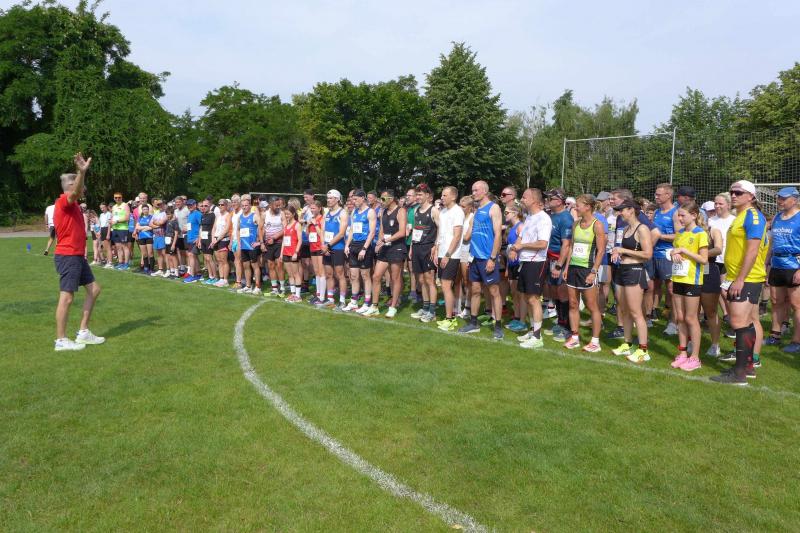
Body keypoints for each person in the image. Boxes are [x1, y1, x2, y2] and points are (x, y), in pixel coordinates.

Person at [711, 180, 768, 385]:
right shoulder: (741, 216)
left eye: (738, 192)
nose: (733, 195)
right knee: (747, 321)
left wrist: (740, 279)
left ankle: (739, 373)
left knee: (738, 322)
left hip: (747, 278)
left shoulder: (753, 216)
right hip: (740, 277)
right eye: (732, 192)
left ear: (751, 196)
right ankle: (747, 367)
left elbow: (753, 250)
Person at [53, 153, 104, 351]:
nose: (84, 189)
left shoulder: (74, 204)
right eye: (81, 185)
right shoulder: (63, 201)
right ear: (72, 186)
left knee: (94, 289)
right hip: (68, 256)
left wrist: (80, 174)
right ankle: (61, 340)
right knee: (67, 297)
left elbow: (76, 193)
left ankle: (83, 332)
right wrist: (82, 172)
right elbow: (74, 192)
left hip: (76, 255)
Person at [459, 180, 504, 339]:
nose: (473, 193)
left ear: (484, 191)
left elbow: (498, 235)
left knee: (494, 291)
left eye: (476, 190)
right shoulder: (477, 210)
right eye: (472, 190)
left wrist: (492, 258)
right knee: (475, 290)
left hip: (487, 258)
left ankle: (498, 325)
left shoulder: (494, 208)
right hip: (475, 258)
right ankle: (473, 323)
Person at [610, 199, 653, 363]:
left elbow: (647, 254)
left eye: (622, 210)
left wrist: (623, 250)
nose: (620, 213)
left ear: (631, 210)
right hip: (622, 270)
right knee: (624, 310)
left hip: (634, 271)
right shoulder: (626, 229)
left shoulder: (642, 228)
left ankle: (643, 350)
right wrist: (618, 252)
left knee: (636, 312)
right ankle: (627, 344)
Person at [562, 194, 606, 352]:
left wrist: (594, 271)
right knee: (573, 304)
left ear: (587, 207)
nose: (576, 207)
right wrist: (566, 268)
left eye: (578, 205)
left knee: (592, 306)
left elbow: (601, 251)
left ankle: (595, 342)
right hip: (573, 269)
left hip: (587, 269)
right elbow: (571, 247)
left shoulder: (597, 225)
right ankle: (575, 337)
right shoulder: (575, 224)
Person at [669, 202, 709, 372]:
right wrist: (673, 253)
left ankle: (695, 357)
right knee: (680, 317)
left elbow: (704, 259)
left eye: (682, 215)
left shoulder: (700, 234)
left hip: (692, 280)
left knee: (691, 318)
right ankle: (683, 353)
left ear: (694, 215)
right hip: (678, 278)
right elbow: (674, 252)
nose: (679, 218)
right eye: (678, 215)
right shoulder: (679, 234)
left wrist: (684, 251)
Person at [510, 188, 551, 349]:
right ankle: (533, 329)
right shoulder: (529, 217)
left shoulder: (543, 219)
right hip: (525, 261)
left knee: (533, 299)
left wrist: (522, 246)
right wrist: (515, 248)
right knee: (527, 298)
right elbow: (521, 237)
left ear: (534, 200)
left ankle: (537, 336)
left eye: (524, 197)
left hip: (537, 262)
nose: (522, 199)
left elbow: (543, 244)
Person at [362, 189, 407, 317]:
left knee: (395, 278)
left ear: (391, 199)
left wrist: (385, 240)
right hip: (385, 248)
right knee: (376, 276)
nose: (380, 201)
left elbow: (402, 232)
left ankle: (393, 306)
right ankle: (375, 306)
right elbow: (381, 231)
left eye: (383, 199)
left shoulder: (401, 211)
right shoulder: (383, 212)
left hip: (397, 248)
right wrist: (379, 242)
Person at [766, 187, 800, 352]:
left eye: (783, 198)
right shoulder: (777, 217)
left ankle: (796, 341)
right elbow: (772, 242)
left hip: (794, 265)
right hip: (777, 264)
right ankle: (775, 335)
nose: (779, 201)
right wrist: (766, 263)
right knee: (776, 301)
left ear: (795, 200)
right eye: (778, 198)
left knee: (796, 304)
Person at [544, 188, 574, 340]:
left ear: (559, 201)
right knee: (554, 291)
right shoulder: (551, 216)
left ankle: (567, 327)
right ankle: (560, 322)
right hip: (550, 258)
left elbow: (566, 244)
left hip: (559, 260)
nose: (547, 201)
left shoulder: (566, 218)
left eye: (551, 198)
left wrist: (558, 265)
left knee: (562, 293)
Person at [433, 186, 464, 331]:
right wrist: (436, 249)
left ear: (453, 197)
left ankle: (450, 318)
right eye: (442, 195)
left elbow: (457, 236)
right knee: (443, 285)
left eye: (445, 195)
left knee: (446, 285)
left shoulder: (458, 212)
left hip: (452, 255)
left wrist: (447, 255)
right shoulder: (443, 212)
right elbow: (440, 233)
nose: (442, 197)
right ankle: (448, 317)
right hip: (441, 253)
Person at [651, 184, 680, 335]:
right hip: (653, 254)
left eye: (658, 194)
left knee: (671, 289)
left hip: (668, 255)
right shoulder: (656, 212)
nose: (655, 196)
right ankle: (650, 314)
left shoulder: (675, 213)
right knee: (652, 286)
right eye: (655, 194)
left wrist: (660, 236)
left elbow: (680, 235)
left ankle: (674, 323)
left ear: (668, 195)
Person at [408, 183, 439, 322]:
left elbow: (441, 229)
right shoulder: (416, 210)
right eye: (417, 194)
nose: (418, 197)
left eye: (420, 194)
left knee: (429, 280)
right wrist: (411, 247)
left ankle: (432, 311)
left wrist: (436, 246)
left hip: (428, 248)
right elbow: (415, 229)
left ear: (427, 195)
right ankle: (425, 308)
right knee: (420, 280)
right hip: (416, 247)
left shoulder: (434, 210)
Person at [343, 190, 376, 312]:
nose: (354, 201)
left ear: (363, 198)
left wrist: (364, 248)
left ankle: (367, 303)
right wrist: (347, 245)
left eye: (356, 199)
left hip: (364, 246)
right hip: (354, 246)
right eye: (353, 199)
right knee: (353, 275)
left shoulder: (370, 212)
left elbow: (372, 232)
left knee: (365, 275)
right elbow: (352, 230)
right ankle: (354, 302)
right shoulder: (354, 212)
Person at [708, 193, 736, 326]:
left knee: (725, 291)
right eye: (716, 203)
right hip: (712, 260)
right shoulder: (710, 220)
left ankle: (735, 318)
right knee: (715, 289)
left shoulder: (734, 220)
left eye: (720, 203)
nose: (717, 206)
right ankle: (725, 314)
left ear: (729, 205)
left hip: (728, 260)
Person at [322, 190, 349, 308]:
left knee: (340, 274)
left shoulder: (343, 213)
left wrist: (328, 245)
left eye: (331, 198)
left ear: (337, 199)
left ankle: (342, 300)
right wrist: (324, 245)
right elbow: (323, 230)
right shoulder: (326, 213)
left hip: (337, 248)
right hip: (326, 248)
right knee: (328, 274)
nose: (328, 200)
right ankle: (330, 298)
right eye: (327, 198)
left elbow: (341, 233)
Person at [503, 204, 526, 333]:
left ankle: (522, 321)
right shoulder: (511, 228)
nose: (505, 214)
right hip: (511, 264)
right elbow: (509, 248)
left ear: (515, 213)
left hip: (519, 264)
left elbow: (522, 244)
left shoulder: (520, 227)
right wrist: (507, 266)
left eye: (507, 212)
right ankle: (517, 318)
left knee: (520, 294)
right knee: (514, 293)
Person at [236, 194, 263, 294]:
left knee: (255, 266)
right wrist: (239, 243)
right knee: (246, 266)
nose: (244, 207)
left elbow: (261, 228)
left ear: (250, 206)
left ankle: (258, 286)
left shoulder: (254, 216)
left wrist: (259, 242)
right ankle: (248, 286)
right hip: (244, 246)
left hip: (252, 246)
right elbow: (238, 230)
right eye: (243, 206)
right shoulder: (240, 217)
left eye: (246, 205)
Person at [262, 196, 286, 295]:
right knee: (271, 265)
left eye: (279, 205)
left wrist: (275, 237)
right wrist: (262, 243)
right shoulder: (265, 214)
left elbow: (285, 229)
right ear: (270, 205)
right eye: (276, 205)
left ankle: (282, 288)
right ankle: (274, 288)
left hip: (279, 243)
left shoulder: (281, 213)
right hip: (268, 243)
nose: (278, 207)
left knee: (279, 265)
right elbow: (261, 229)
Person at [305, 201, 326, 305]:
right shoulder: (311, 219)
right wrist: (308, 225)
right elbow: (307, 234)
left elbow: (322, 233)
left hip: (320, 247)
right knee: (316, 272)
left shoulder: (322, 219)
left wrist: (315, 224)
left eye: (314, 208)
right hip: (312, 247)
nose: (312, 210)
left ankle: (322, 297)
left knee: (322, 272)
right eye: (311, 208)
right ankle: (318, 294)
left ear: (319, 208)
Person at [280, 206, 303, 302]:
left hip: (293, 253)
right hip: (286, 252)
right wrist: (281, 253)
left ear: (293, 214)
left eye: (288, 214)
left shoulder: (297, 225)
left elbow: (300, 240)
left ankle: (298, 296)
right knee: (290, 275)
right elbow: (284, 241)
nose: (286, 215)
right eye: (285, 214)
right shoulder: (286, 225)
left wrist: (296, 252)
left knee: (296, 274)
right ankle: (293, 294)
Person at [209, 199, 232, 287]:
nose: (220, 206)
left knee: (224, 260)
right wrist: (213, 239)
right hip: (216, 239)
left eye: (222, 205)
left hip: (223, 240)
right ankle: (221, 278)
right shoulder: (218, 216)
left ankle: (225, 280)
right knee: (218, 260)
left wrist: (217, 239)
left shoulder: (228, 215)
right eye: (219, 204)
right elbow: (214, 228)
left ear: (226, 206)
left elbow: (226, 229)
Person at [198, 199, 218, 284]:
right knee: (206, 259)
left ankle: (215, 277)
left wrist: (213, 240)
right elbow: (201, 228)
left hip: (209, 238)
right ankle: (211, 276)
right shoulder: (202, 215)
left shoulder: (213, 215)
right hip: (203, 239)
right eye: (202, 206)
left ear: (209, 206)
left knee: (210, 258)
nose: (204, 207)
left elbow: (215, 228)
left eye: (206, 206)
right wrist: (199, 240)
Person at [183, 199, 202, 282]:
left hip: (195, 239)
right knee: (194, 256)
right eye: (188, 205)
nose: (189, 206)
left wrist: (199, 237)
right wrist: (185, 230)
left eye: (191, 205)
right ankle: (198, 273)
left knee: (191, 255)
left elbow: (202, 226)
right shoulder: (190, 214)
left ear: (195, 205)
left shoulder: (198, 214)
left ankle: (192, 275)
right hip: (189, 238)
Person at [110, 193, 131, 269]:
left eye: (119, 197)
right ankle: (120, 262)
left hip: (123, 229)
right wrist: (111, 221)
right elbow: (113, 217)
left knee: (124, 246)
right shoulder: (114, 207)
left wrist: (117, 221)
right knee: (118, 247)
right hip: (115, 228)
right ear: (114, 198)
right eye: (116, 197)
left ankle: (126, 263)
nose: (117, 199)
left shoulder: (125, 205)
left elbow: (127, 217)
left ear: (122, 198)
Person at [149, 199, 168, 277]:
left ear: (164, 204)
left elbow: (162, 222)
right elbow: (150, 224)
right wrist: (157, 224)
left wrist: (155, 223)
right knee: (159, 253)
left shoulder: (166, 213)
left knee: (164, 253)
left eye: (161, 204)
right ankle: (160, 269)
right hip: (156, 236)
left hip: (163, 235)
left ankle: (168, 269)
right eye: (158, 204)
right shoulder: (156, 214)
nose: (159, 205)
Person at [134, 204, 154, 274]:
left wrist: (142, 228)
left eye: (146, 209)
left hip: (149, 237)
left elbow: (152, 227)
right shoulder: (140, 218)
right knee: (144, 254)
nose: (145, 210)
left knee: (150, 253)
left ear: (148, 210)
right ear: (142, 210)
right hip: (141, 237)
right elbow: (137, 227)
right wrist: (146, 227)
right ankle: (146, 268)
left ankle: (151, 269)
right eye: (144, 209)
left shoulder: (151, 217)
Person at [165, 206, 181, 278]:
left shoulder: (174, 222)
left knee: (173, 256)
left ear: (172, 214)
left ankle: (176, 272)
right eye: (167, 214)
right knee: (169, 256)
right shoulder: (168, 221)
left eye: (169, 214)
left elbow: (176, 233)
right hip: (167, 241)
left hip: (172, 242)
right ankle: (172, 271)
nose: (167, 215)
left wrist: (173, 244)